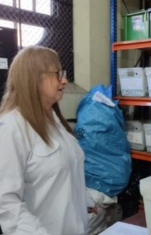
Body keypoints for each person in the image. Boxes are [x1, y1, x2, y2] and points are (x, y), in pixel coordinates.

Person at [0, 46, 95, 235]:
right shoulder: (11, 127)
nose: (65, 80)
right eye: (57, 73)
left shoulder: (53, 120)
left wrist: (84, 200)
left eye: (64, 73)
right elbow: (6, 202)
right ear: (33, 77)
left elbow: (64, 170)